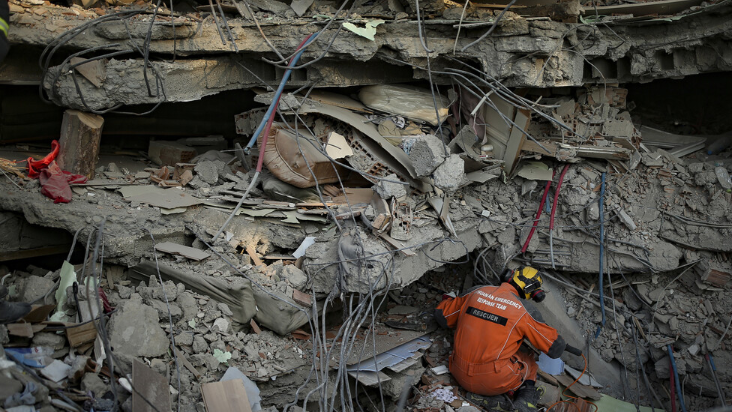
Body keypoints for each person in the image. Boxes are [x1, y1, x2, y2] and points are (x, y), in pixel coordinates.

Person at [435, 266, 578, 412]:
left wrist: (449, 300)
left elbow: (442, 317)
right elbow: (555, 349)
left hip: (458, 372)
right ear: (532, 291)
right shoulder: (524, 309)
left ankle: (490, 398)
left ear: (510, 275)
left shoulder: (476, 291)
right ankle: (524, 402)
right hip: (492, 381)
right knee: (529, 362)